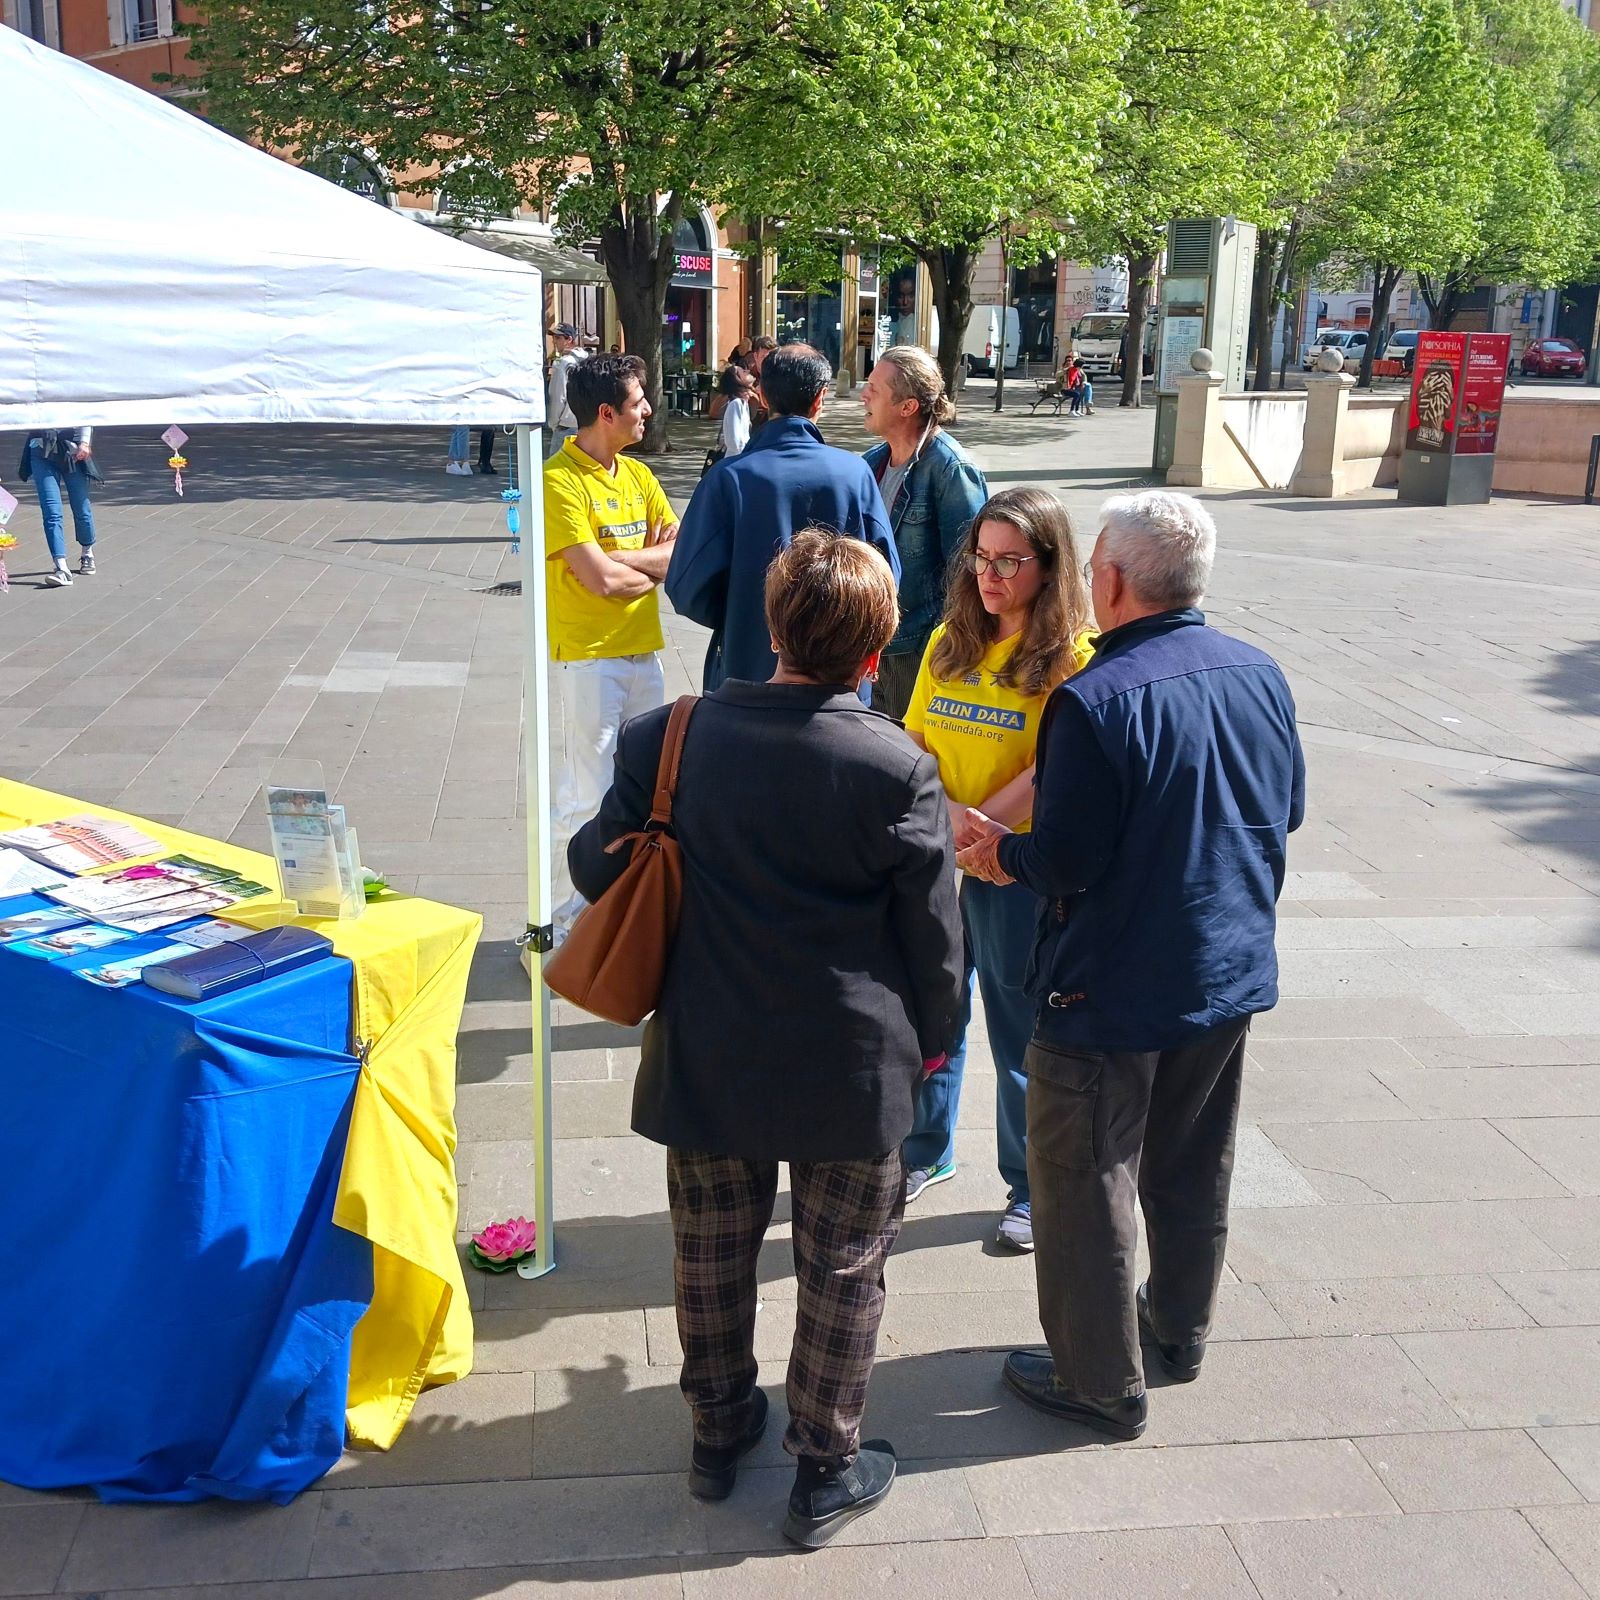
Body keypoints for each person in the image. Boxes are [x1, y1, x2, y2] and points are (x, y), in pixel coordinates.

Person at [569, 530, 965, 1548]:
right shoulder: (897, 764)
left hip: (710, 1044)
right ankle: (823, 1465)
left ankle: (717, 1429)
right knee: (844, 1266)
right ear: (874, 649)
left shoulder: (668, 736)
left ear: (773, 627)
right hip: (852, 1058)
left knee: (709, 1249)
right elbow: (935, 938)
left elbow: (594, 867)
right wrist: (936, 1044)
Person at [957, 490, 1305, 1441]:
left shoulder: (1094, 698)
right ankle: (1179, 1330)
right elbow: (1286, 811)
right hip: (1225, 965)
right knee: (1192, 1162)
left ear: (1108, 580)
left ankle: (1100, 1380)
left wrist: (999, 855)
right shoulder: (1259, 670)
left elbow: (1063, 857)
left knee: (1082, 1176)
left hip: (1107, 983)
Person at [901, 489, 1094, 1251]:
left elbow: (1056, 767)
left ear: (1049, 566)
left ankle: (1029, 1187)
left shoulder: (1074, 657)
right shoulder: (948, 641)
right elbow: (915, 741)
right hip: (940, 855)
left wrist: (985, 830)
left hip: (1015, 869)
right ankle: (924, 1152)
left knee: (1020, 1034)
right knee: (934, 1013)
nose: (990, 575)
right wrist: (951, 817)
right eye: (982, 557)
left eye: (1010, 561)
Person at [543, 352, 679, 942]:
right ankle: (565, 925)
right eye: (637, 403)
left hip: (643, 653)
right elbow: (600, 582)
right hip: (589, 658)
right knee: (587, 794)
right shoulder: (557, 481)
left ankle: (619, 916)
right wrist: (643, 566)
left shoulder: (640, 476)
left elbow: (677, 554)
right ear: (605, 413)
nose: (647, 410)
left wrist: (620, 560)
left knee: (644, 789)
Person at [666, 344, 897, 691]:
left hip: (747, 672)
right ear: (820, 398)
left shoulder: (728, 479)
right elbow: (886, 578)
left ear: (762, 395)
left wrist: (741, 612)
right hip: (839, 677)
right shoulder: (855, 474)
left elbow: (686, 588)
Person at [861, 346, 988, 719]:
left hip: (916, 651)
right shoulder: (870, 463)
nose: (863, 394)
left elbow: (970, 574)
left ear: (907, 407)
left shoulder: (951, 470)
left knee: (906, 749)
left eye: (874, 388)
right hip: (869, 644)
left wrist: (940, 650)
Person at [18, 427, 99, 586]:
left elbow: (85, 413)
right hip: (40, 448)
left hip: (72, 449)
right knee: (51, 511)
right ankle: (61, 567)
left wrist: (84, 442)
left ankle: (87, 552)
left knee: (81, 506)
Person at [546, 322, 587, 457]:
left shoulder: (562, 363)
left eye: (558, 338)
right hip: (585, 425)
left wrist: (553, 423)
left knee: (556, 467)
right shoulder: (588, 361)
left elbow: (558, 396)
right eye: (554, 338)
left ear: (569, 339)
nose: (554, 341)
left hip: (565, 425)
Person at [717, 363, 757, 459]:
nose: (748, 371)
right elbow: (735, 442)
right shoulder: (736, 404)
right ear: (737, 380)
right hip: (736, 459)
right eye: (743, 371)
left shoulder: (743, 404)